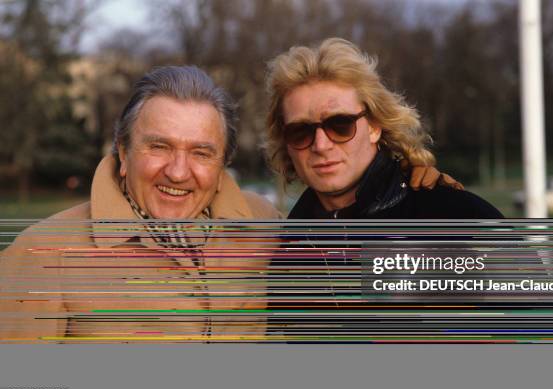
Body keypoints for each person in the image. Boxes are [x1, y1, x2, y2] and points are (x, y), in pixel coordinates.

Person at [0, 66, 280, 342]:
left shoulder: (263, 224)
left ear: (222, 165)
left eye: (201, 153)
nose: (178, 172)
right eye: (159, 147)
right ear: (124, 152)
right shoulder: (44, 254)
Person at [265, 38, 502, 219]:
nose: (321, 145)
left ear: (374, 126)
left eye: (340, 125)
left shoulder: (453, 218)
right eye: (300, 132)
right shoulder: (288, 247)